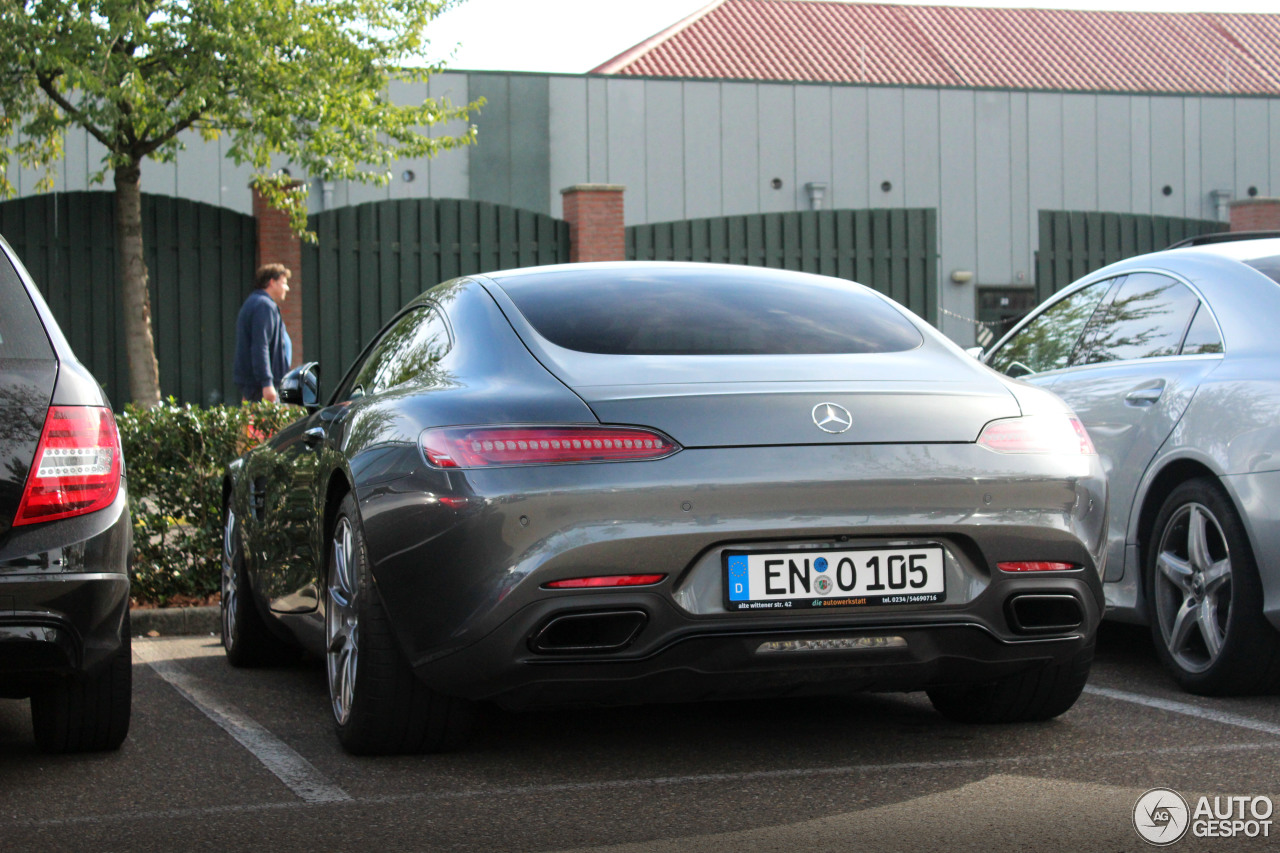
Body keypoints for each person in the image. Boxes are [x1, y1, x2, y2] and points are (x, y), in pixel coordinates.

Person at [234, 263, 293, 403]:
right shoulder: (263, 306)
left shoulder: (255, 302)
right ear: (272, 282)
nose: (287, 288)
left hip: (257, 386)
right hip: (263, 388)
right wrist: (267, 384)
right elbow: (260, 346)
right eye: (284, 283)